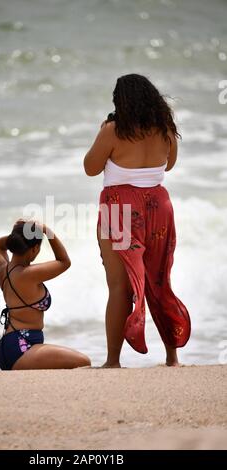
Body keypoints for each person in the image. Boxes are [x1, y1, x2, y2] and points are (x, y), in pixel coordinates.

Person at [83, 74, 190, 368]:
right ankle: (172, 357)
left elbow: (90, 168)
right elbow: (169, 163)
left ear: (121, 102)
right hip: (160, 205)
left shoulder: (113, 130)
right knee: (159, 280)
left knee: (119, 287)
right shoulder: (165, 129)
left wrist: (103, 134)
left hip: (120, 207)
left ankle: (113, 361)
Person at [0, 219, 91, 370]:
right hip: (22, 350)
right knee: (84, 362)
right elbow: (64, 261)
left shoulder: (3, 271)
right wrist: (46, 230)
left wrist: (19, 232)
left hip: (8, 347)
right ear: (34, 249)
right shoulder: (29, 274)